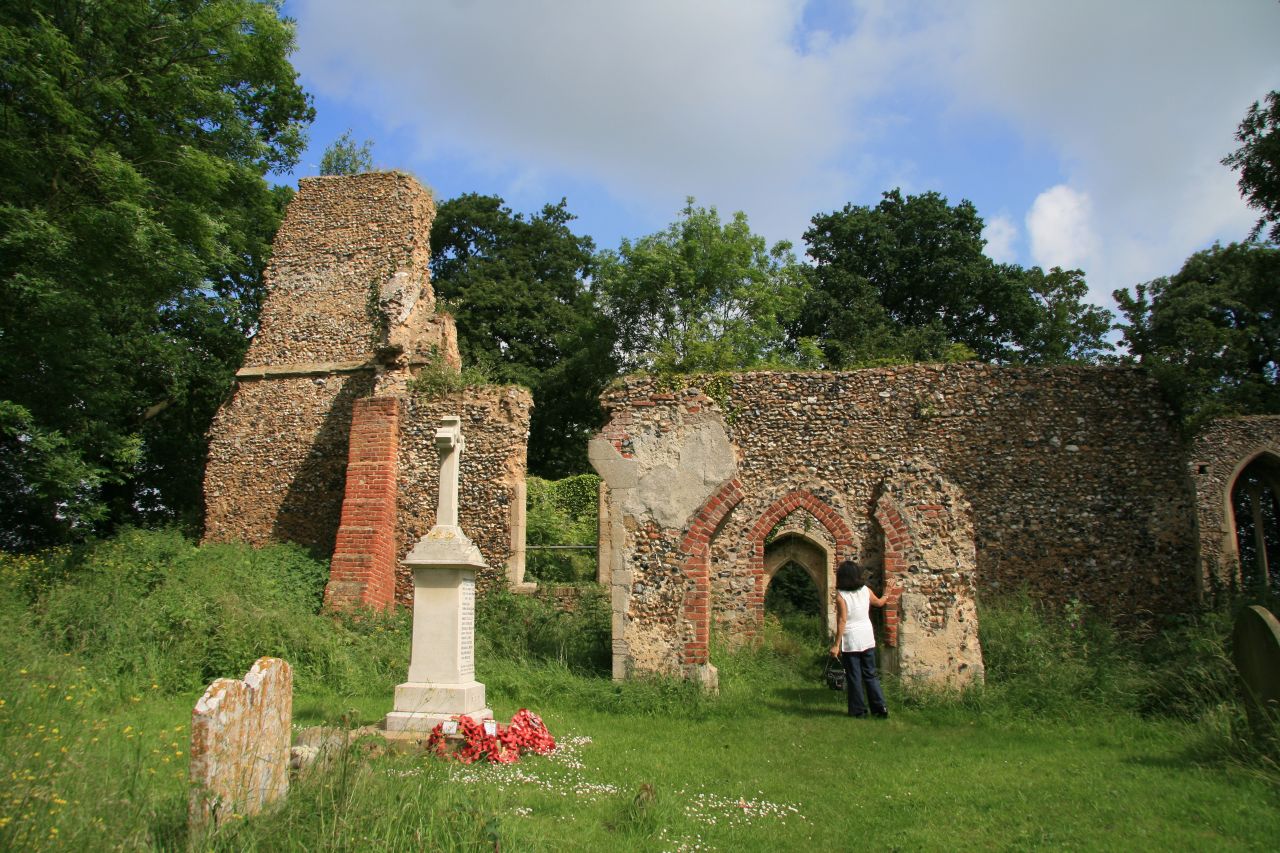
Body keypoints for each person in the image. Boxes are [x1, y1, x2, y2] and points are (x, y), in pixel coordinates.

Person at [829, 560, 890, 718]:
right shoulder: (865, 590)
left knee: (854, 676)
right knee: (870, 674)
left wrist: (836, 644)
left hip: (852, 640)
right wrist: (888, 593)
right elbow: (879, 602)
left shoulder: (841, 596)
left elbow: (842, 620)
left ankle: (858, 711)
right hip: (867, 637)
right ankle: (880, 708)